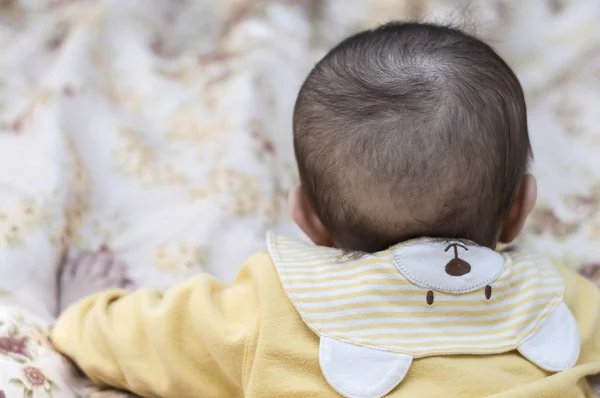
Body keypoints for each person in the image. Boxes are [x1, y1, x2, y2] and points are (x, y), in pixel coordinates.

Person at [52, 22, 600, 398]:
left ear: (306, 219)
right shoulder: (556, 299)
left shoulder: (273, 306)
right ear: (521, 209)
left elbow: (149, 340)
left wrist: (85, 312)